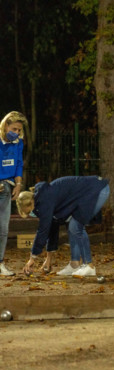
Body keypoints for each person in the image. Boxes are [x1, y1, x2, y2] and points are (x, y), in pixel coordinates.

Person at [16, 175, 110, 277]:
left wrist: (32, 258)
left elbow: (42, 231)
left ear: (30, 203)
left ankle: (89, 266)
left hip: (96, 190)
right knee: (72, 226)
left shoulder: (44, 202)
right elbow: (52, 228)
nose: (32, 214)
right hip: (89, 192)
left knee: (76, 227)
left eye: (30, 211)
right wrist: (48, 259)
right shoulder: (42, 198)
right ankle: (75, 264)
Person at [0, 111, 28, 276]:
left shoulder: (18, 143)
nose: (17, 133)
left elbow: (18, 164)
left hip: (6, 187)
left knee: (3, 229)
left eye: (19, 130)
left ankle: (0, 262)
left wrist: (18, 184)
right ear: (5, 126)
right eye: (14, 129)